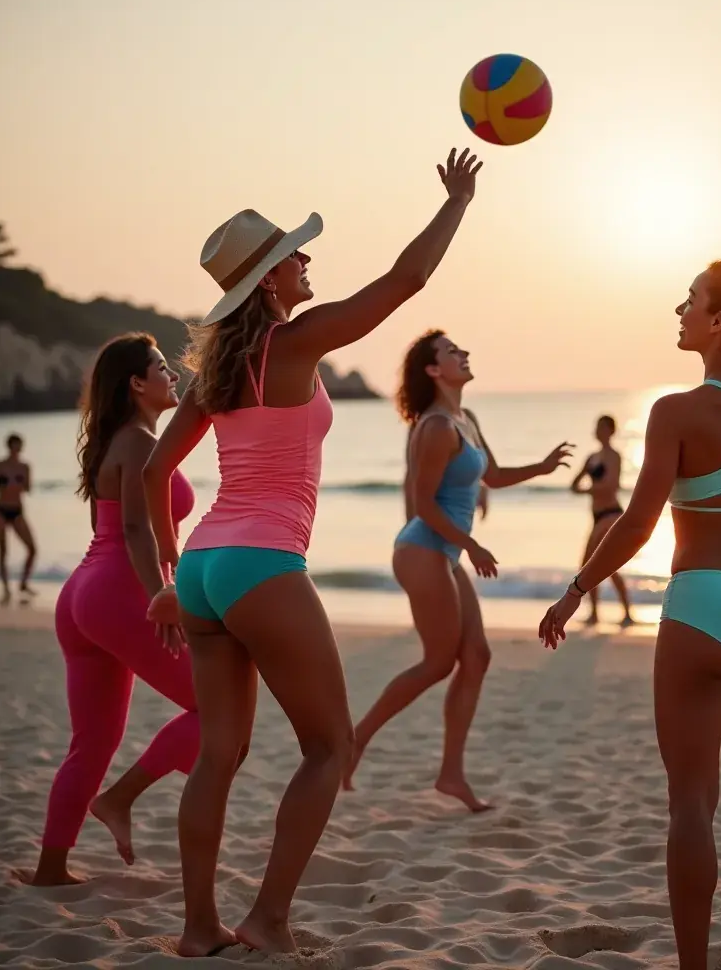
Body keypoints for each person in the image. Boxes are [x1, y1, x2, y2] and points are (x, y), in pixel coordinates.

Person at [142, 148, 484, 957]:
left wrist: (165, 576)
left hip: (203, 570)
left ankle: (198, 930)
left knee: (217, 757)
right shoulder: (293, 346)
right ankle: (266, 919)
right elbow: (406, 281)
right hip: (263, 566)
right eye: (294, 254)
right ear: (267, 281)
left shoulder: (217, 374)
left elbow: (157, 472)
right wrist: (458, 202)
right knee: (329, 746)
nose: (306, 260)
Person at [539, 261, 721, 970]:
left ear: (719, 322)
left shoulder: (675, 411)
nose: (680, 310)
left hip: (704, 601)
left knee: (692, 804)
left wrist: (577, 588)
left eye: (691, 300)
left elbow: (639, 524)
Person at [342, 330, 572, 811]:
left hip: (442, 552)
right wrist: (471, 544)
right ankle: (353, 742)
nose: (463, 354)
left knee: (478, 655)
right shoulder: (435, 428)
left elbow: (493, 475)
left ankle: (450, 774)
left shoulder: (466, 420)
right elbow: (422, 503)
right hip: (423, 549)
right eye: (452, 352)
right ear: (433, 370)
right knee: (437, 662)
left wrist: (543, 467)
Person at [19, 334, 200, 887]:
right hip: (120, 591)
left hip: (83, 594)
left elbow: (121, 528)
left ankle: (51, 868)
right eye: (163, 368)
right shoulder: (142, 441)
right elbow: (135, 530)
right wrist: (159, 600)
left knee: (92, 742)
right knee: (215, 707)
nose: (173, 376)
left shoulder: (120, 439)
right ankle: (118, 799)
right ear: (136, 385)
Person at [570, 414, 635, 627]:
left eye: (601, 427)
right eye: (596, 426)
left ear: (610, 430)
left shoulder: (614, 456)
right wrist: (585, 486)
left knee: (589, 564)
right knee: (606, 566)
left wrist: (589, 489)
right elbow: (574, 485)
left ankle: (616, 613)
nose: (597, 430)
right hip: (596, 515)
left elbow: (611, 486)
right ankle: (604, 613)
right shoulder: (591, 458)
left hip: (611, 514)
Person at [0, 433, 38, 604]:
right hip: (0, 511)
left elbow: (28, 489)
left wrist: (20, 482)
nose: (17, 449)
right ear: (9, 447)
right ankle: (5, 589)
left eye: (19, 446)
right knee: (3, 549)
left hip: (17, 511)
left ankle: (23, 583)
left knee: (32, 548)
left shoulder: (25, 467)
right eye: (14, 446)